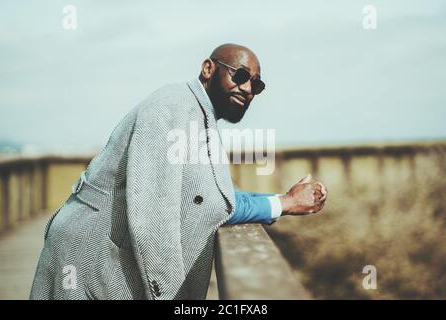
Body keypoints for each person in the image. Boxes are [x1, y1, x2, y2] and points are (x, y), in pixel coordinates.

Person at [30, 43, 327, 300]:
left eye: (257, 85)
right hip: (87, 260)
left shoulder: (197, 116)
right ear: (208, 69)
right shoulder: (173, 108)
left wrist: (282, 200)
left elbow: (213, 197)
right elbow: (155, 215)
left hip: (104, 262)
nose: (248, 89)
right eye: (240, 75)